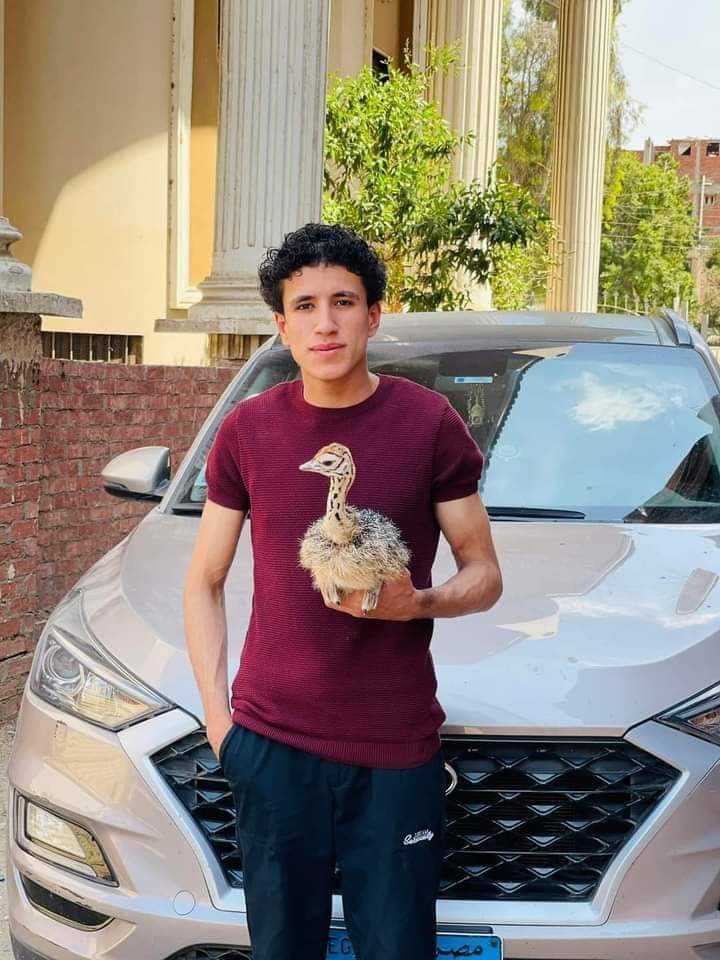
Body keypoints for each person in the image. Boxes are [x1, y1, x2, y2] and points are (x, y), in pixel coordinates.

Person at [183, 222, 503, 960]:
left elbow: (483, 573)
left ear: (373, 316)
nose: (324, 323)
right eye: (305, 306)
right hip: (271, 747)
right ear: (282, 325)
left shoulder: (428, 423)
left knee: (396, 948)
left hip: (395, 748)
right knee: (281, 949)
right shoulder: (247, 431)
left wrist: (418, 603)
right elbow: (204, 580)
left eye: (343, 302)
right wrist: (221, 729)